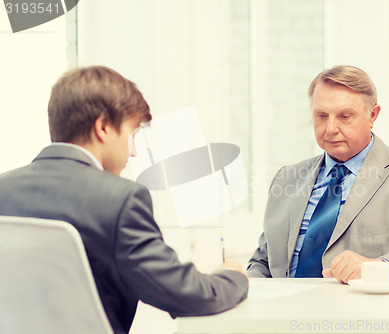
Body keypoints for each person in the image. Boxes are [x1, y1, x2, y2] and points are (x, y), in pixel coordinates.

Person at [0, 66, 248, 334]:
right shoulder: (121, 199)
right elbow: (188, 296)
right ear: (103, 128)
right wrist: (232, 275)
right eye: (133, 135)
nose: (133, 152)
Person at [247, 65, 389, 283]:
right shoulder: (286, 178)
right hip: (280, 320)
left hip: (362, 320)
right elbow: (263, 263)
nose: (330, 128)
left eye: (345, 116)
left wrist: (380, 266)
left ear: (373, 116)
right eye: (321, 116)